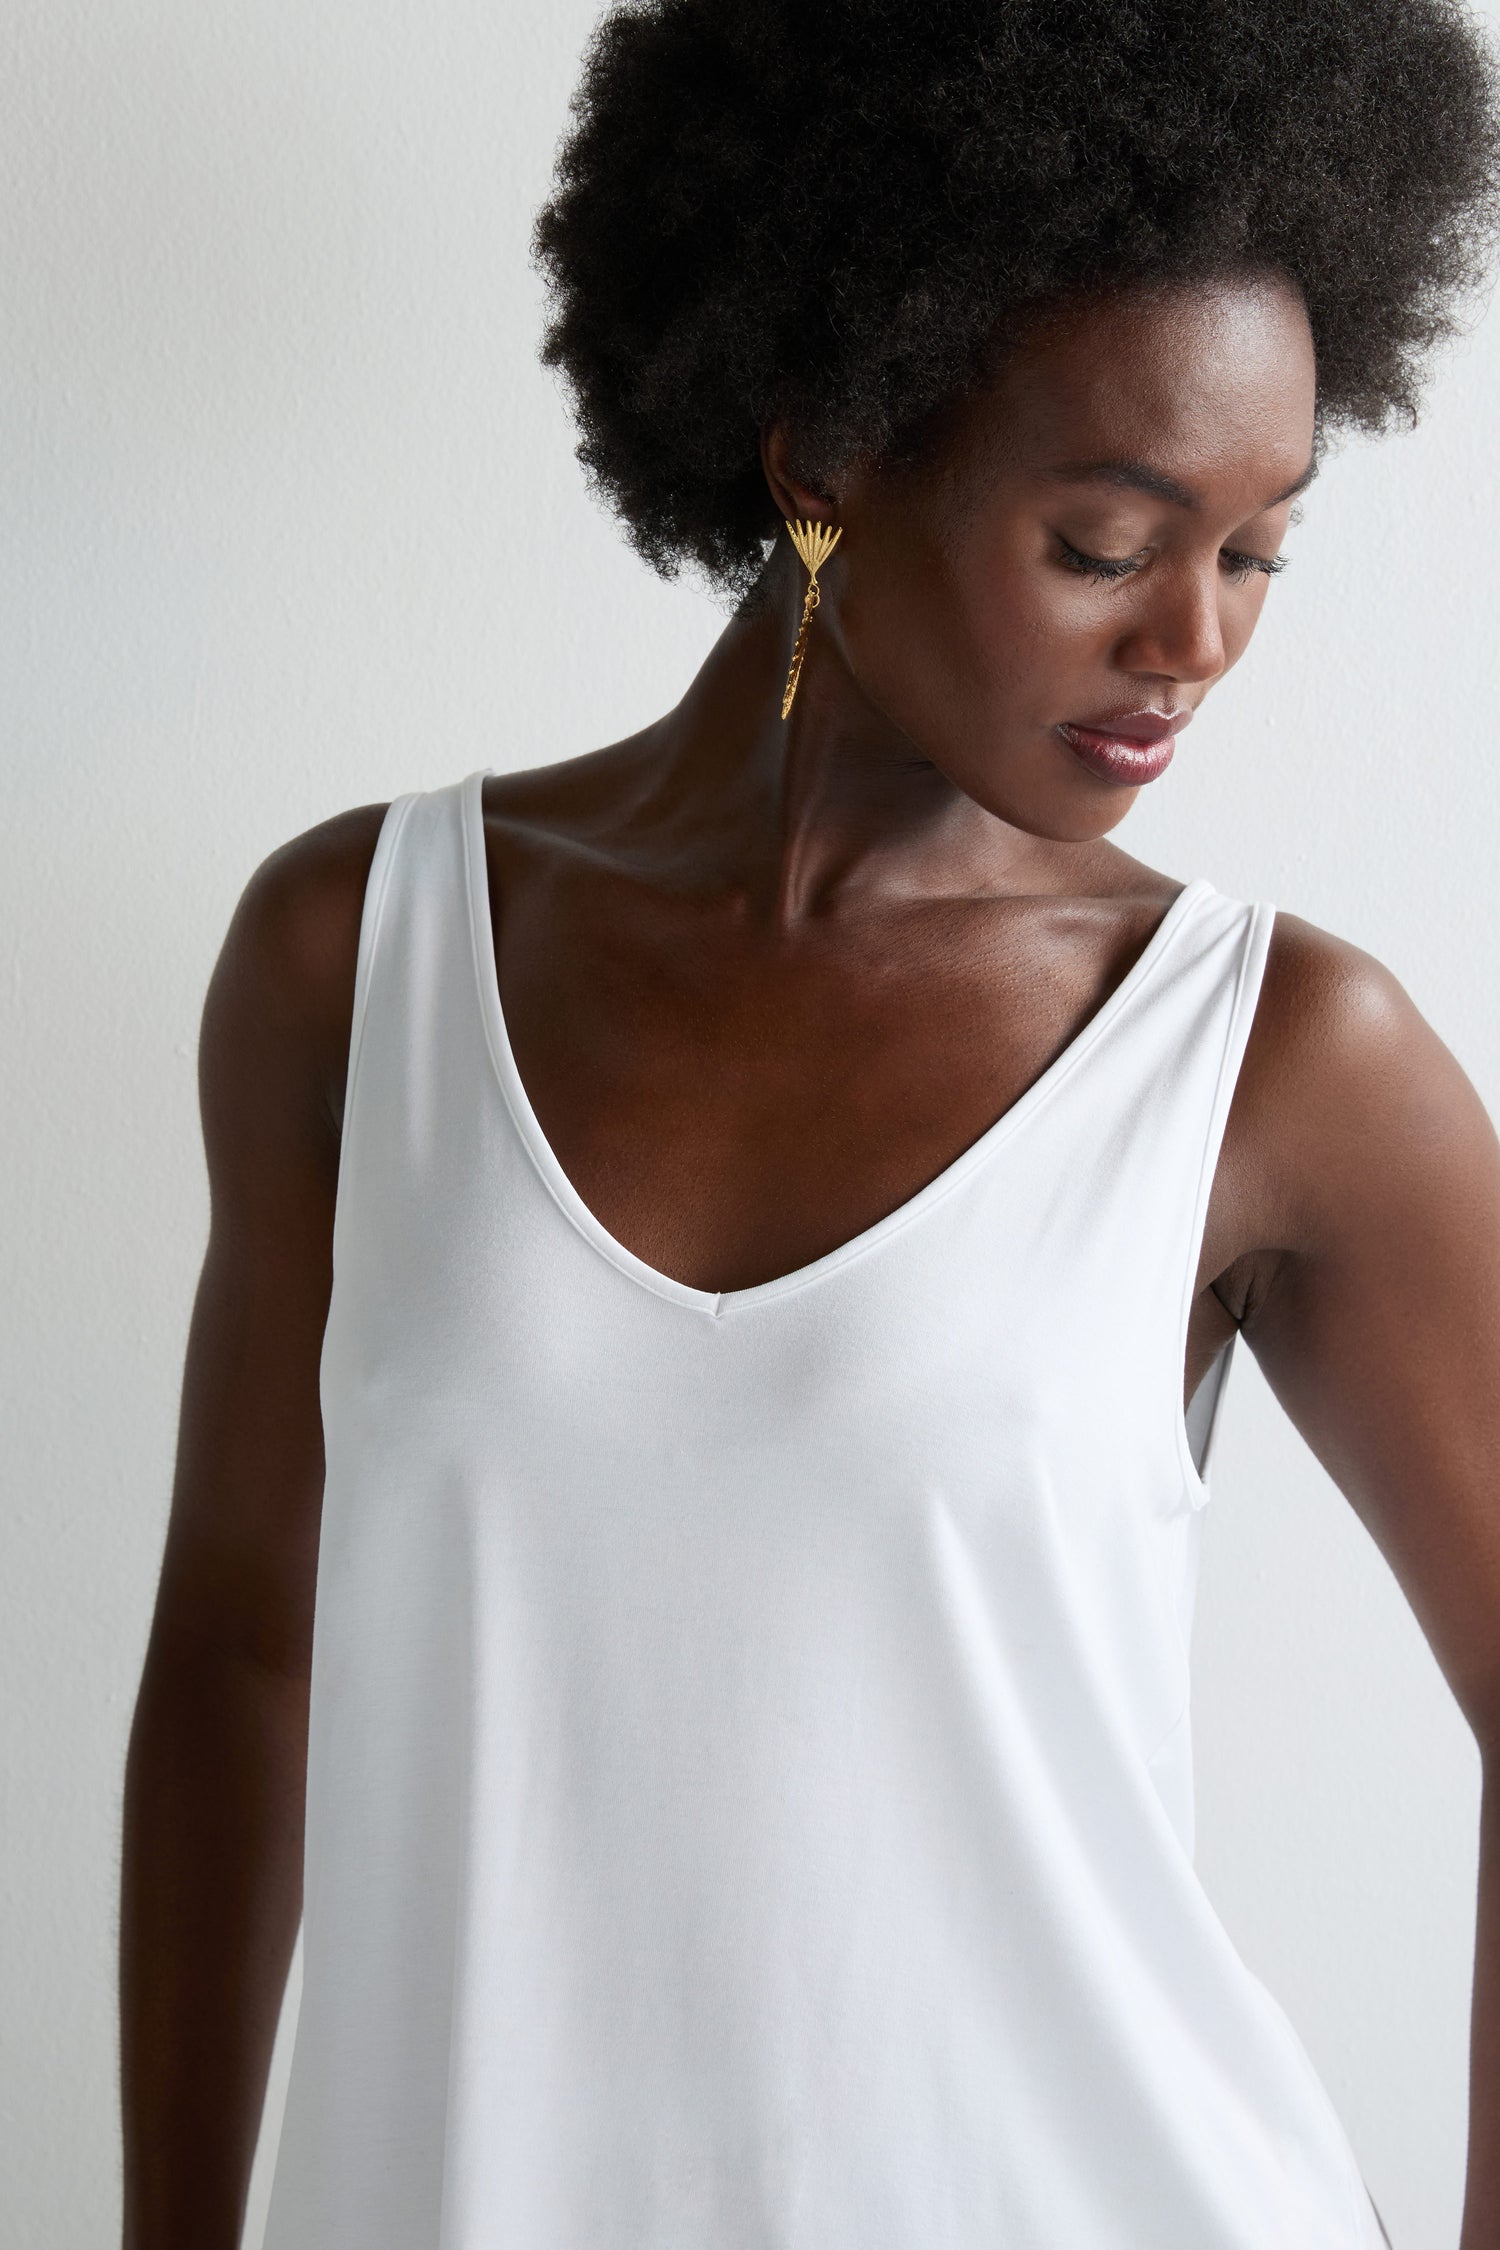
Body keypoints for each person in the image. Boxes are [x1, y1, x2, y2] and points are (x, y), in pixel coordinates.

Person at [120, 2, 1500, 2245]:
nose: (1196, 641)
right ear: (828, 459)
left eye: (1260, 549)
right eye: (1106, 542)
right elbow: (242, 1645)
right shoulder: (351, 961)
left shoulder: (1271, 1051)